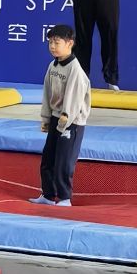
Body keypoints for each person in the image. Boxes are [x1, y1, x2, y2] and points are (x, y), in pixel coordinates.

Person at [35, 21, 91, 207]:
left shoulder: (75, 70)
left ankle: (65, 197)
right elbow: (47, 93)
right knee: (48, 159)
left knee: (64, 162)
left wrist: (64, 121)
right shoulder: (53, 66)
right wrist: (46, 118)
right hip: (55, 118)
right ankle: (48, 195)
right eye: (50, 42)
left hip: (71, 121)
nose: (52, 46)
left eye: (57, 42)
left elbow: (73, 99)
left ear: (70, 43)